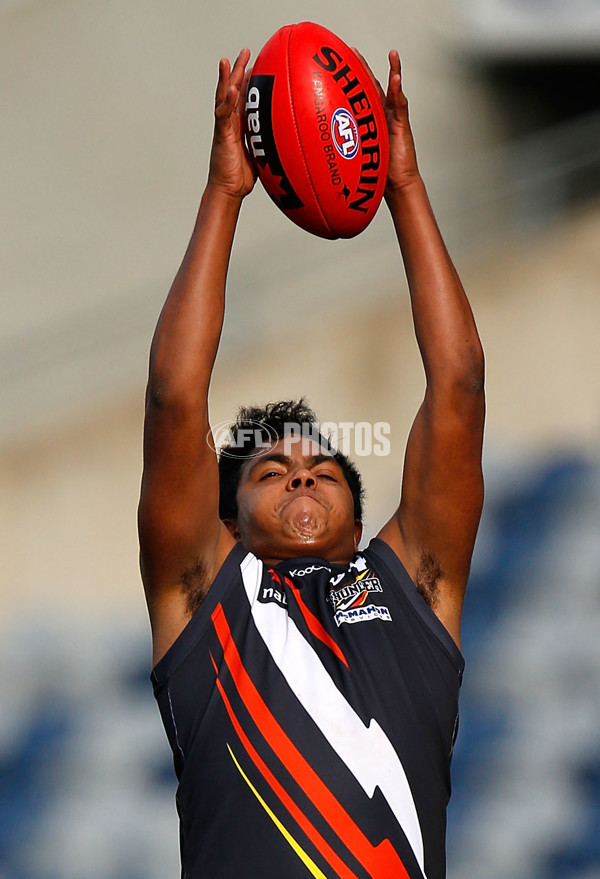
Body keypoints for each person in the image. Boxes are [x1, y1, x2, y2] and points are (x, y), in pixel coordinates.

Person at [138, 45, 485, 879]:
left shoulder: (413, 587)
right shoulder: (203, 598)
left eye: (323, 470)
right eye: (270, 470)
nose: (300, 473)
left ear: (365, 526)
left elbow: (461, 379)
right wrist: (225, 194)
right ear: (225, 527)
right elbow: (176, 400)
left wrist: (404, 187)